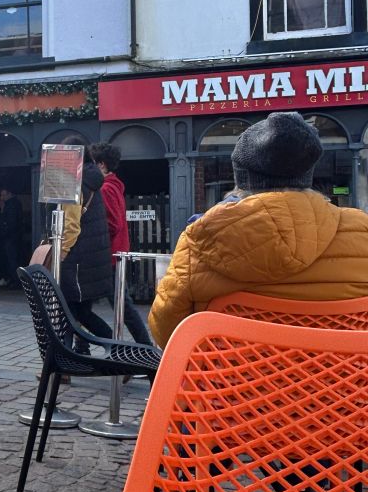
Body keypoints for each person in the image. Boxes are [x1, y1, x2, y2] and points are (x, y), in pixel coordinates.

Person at [149, 110, 368, 347]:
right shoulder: (361, 231)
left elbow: (166, 333)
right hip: (342, 382)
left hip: (228, 381)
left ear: (242, 178)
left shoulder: (200, 238)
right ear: (307, 174)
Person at [90, 142, 154, 351]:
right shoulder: (112, 186)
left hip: (108, 256)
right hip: (112, 254)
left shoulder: (106, 188)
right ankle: (82, 349)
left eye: (92, 163)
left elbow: (111, 223)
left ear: (101, 165)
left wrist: (94, 238)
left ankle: (146, 352)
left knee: (122, 307)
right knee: (85, 305)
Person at [59, 138, 115, 340]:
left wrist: (62, 253)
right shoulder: (92, 179)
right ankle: (114, 349)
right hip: (92, 259)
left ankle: (61, 365)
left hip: (77, 260)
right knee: (81, 312)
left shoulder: (75, 180)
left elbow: (71, 225)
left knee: (68, 312)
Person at [0, 186, 22, 288]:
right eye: (1, 195)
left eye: (4, 195)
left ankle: (15, 281)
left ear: (10, 194)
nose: (2, 197)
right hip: (12, 237)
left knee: (11, 260)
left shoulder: (11, 205)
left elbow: (10, 223)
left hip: (10, 238)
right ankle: (13, 280)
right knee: (11, 259)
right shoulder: (13, 204)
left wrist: (2, 233)